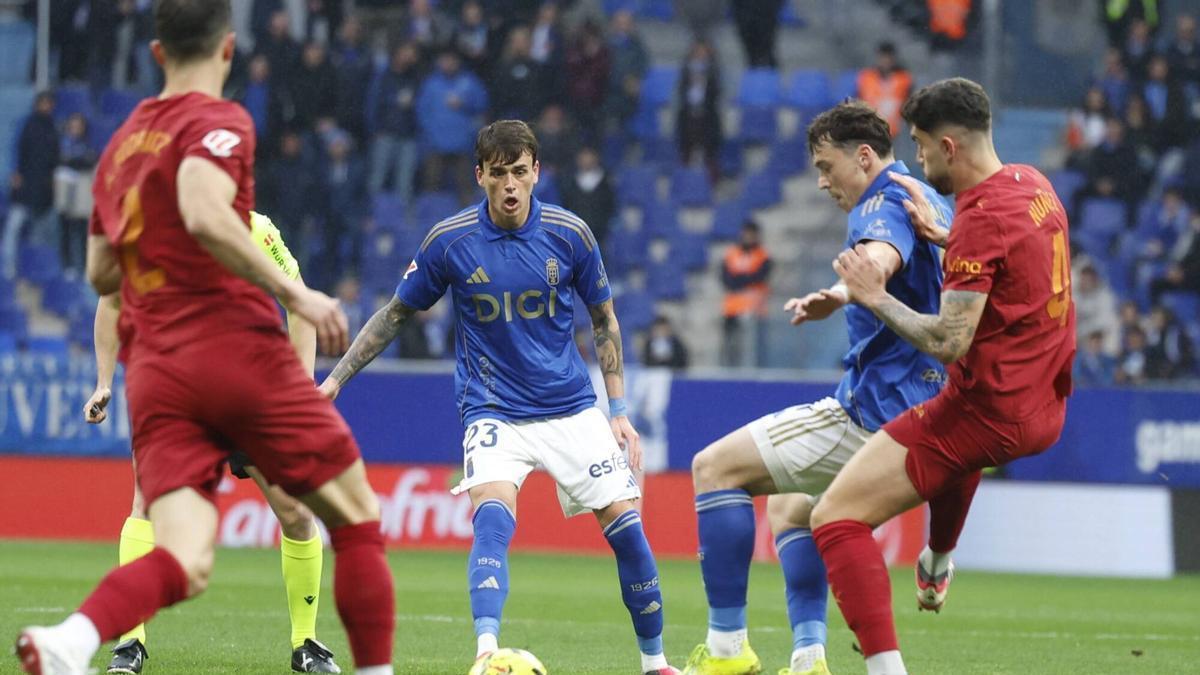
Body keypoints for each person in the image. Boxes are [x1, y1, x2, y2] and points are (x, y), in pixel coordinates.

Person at [14, 3, 396, 675]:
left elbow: (102, 271)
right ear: (227, 51)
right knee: (356, 513)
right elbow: (200, 203)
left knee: (184, 555)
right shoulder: (220, 121)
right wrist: (294, 291)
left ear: (156, 53)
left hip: (160, 368)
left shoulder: (122, 145)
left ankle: (73, 638)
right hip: (234, 356)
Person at [316, 120, 679, 675]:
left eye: (520, 171)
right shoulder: (450, 241)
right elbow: (395, 315)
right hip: (492, 409)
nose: (510, 184)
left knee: (629, 531)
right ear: (480, 175)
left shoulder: (571, 234)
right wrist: (335, 381)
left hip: (570, 406)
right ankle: (487, 655)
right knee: (491, 519)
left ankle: (655, 665)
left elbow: (604, 320)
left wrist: (619, 412)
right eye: (499, 173)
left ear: (537, 172)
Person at [810, 78, 1075, 675]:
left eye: (923, 147)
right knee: (951, 454)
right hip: (1048, 402)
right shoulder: (1034, 185)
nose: (920, 159)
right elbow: (1016, 267)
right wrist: (947, 236)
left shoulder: (979, 219)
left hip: (990, 411)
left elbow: (948, 341)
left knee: (834, 517)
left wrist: (874, 296)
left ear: (949, 146)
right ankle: (937, 558)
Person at [682, 101, 954, 675]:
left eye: (827, 167)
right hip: (930, 410)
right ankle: (809, 659)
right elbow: (895, 257)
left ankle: (728, 651)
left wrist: (861, 282)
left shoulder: (878, 202)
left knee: (713, 468)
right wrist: (840, 292)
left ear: (862, 157)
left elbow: (881, 252)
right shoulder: (930, 197)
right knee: (789, 508)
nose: (822, 181)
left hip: (870, 412)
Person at [83, 213, 341, 674]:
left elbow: (298, 300)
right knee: (146, 502)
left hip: (249, 387)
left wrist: (302, 387)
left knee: (297, 511)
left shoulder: (255, 229)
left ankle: (306, 642)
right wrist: (104, 379)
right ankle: (130, 642)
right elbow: (110, 301)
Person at [720, 220, 771, 367]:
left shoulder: (763, 255)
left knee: (753, 349)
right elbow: (726, 278)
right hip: (732, 308)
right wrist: (746, 278)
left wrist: (740, 278)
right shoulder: (731, 254)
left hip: (754, 307)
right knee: (731, 345)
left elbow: (760, 276)